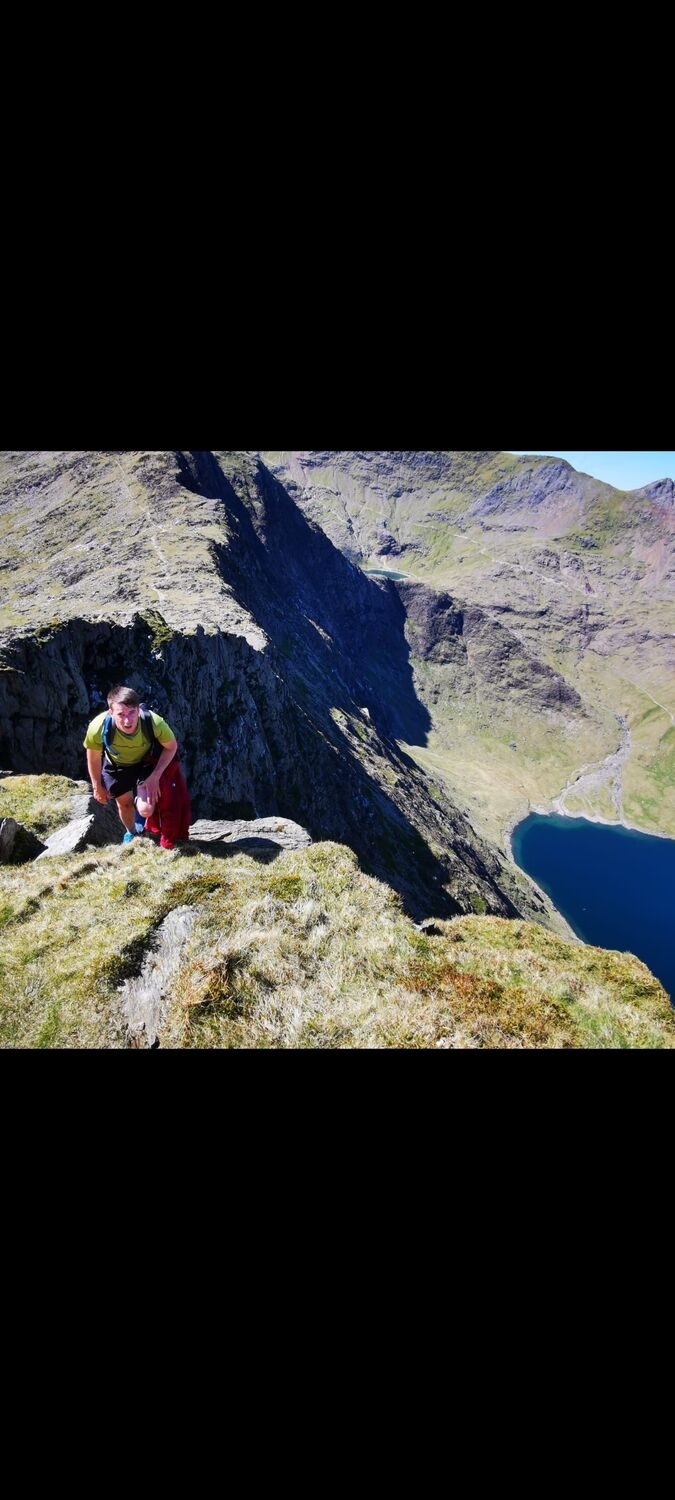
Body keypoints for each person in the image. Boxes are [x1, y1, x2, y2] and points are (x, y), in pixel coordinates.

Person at [83, 685, 190, 848]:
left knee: (146, 809)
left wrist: (155, 776)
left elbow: (171, 747)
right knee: (124, 804)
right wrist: (97, 786)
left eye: (132, 712)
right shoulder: (98, 727)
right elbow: (94, 757)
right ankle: (132, 832)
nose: (127, 720)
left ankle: (141, 809)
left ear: (139, 709)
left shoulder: (153, 722)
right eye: (121, 714)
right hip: (116, 766)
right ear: (111, 712)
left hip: (144, 764)